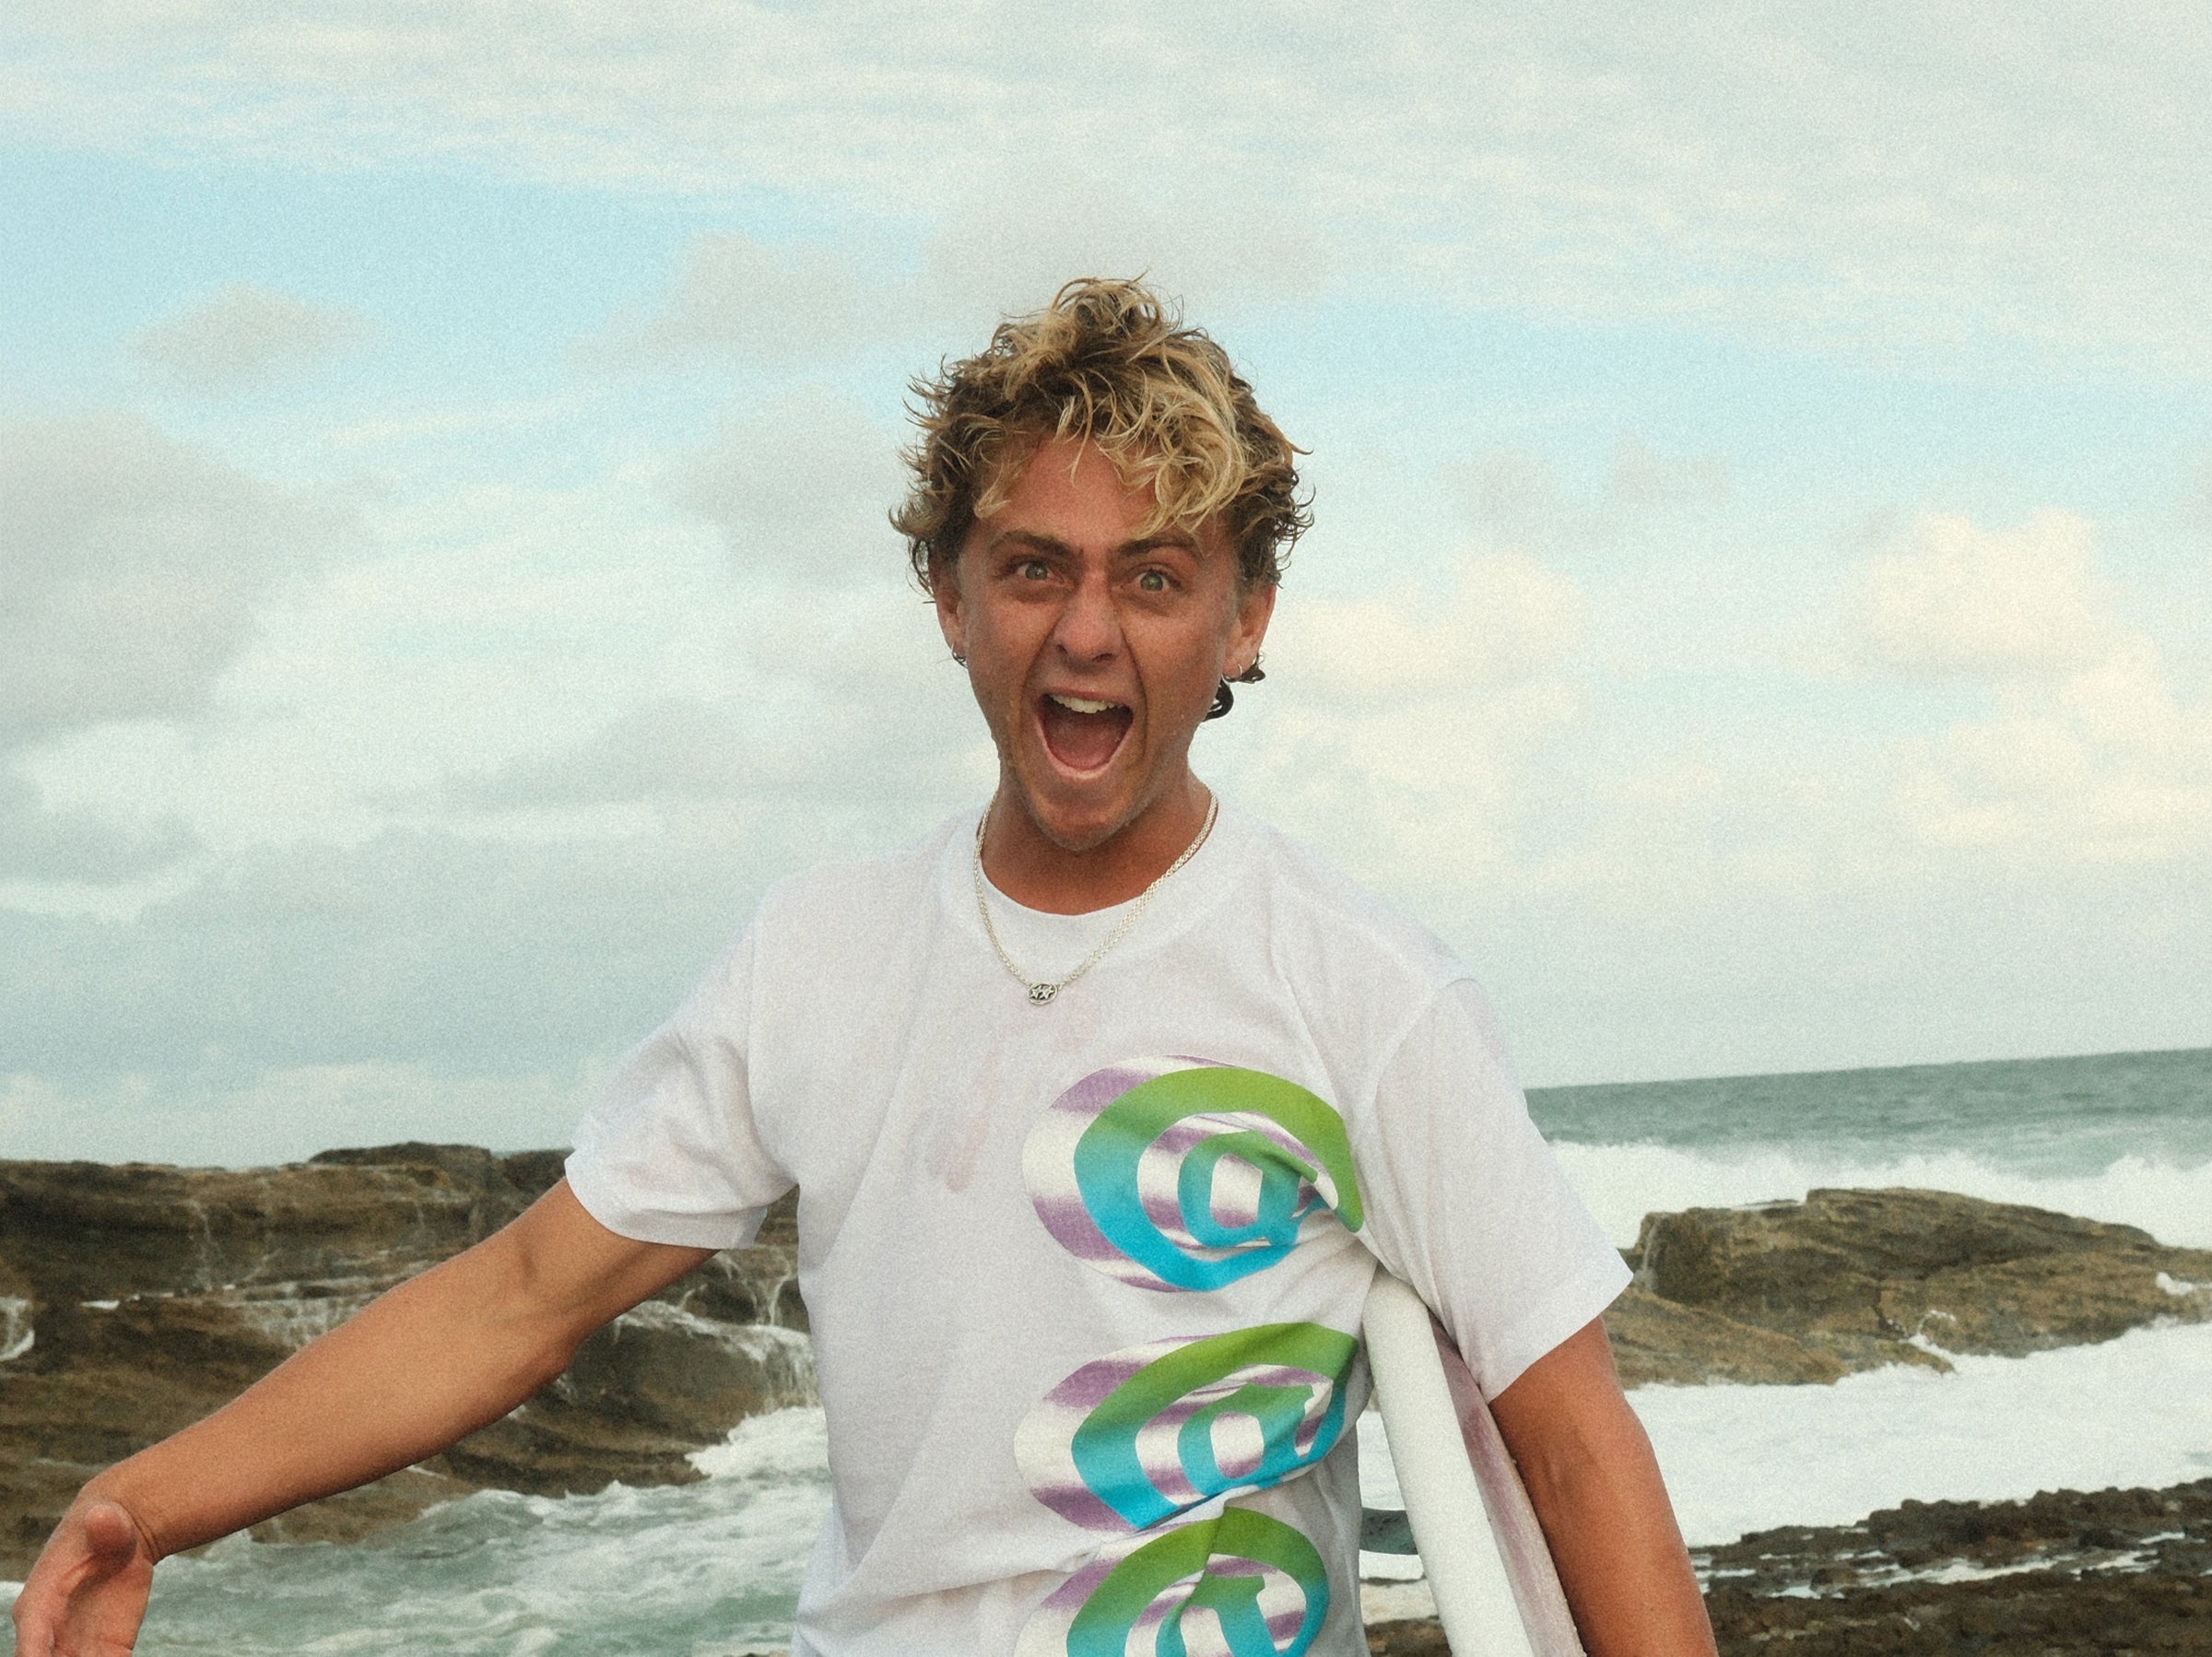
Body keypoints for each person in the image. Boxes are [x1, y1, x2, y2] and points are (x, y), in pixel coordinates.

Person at [15, 278, 1715, 1657]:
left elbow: (1573, 1440)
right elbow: (522, 1297)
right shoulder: (817, 956)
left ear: (1244, 620)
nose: (1087, 629)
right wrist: (147, 1504)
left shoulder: (1361, 991)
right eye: (1033, 567)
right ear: (948, 595)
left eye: (1156, 577)